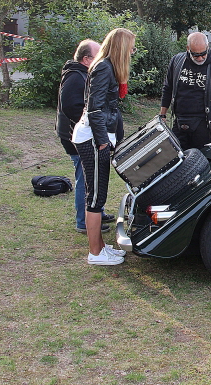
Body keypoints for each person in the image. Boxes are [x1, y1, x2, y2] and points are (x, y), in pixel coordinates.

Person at [72, 27, 135, 266]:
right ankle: (95, 253)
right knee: (96, 196)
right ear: (120, 46)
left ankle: (99, 247)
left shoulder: (107, 68)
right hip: (93, 138)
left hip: (97, 136)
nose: (132, 51)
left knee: (98, 194)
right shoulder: (104, 68)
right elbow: (95, 108)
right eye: (130, 46)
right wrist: (102, 141)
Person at [56, 39, 115, 234]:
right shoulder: (75, 76)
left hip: (80, 134)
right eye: (97, 56)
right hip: (77, 137)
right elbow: (71, 107)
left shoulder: (83, 74)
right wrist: (87, 127)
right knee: (85, 178)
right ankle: (83, 221)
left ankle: (97, 212)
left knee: (92, 178)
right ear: (86, 58)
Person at [159, 32, 211, 150]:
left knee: (200, 160)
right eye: (196, 55)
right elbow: (167, 88)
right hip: (180, 120)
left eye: (203, 54)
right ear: (188, 49)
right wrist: (162, 114)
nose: (201, 58)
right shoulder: (177, 61)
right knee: (176, 157)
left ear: (208, 48)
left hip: (204, 123)